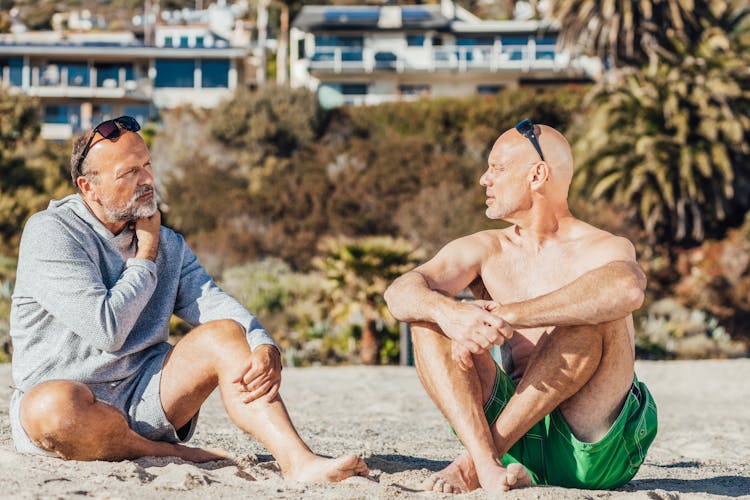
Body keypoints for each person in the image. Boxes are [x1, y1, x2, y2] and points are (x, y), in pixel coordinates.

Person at [9, 115, 368, 482]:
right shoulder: (52, 233)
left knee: (226, 333)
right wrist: (145, 255)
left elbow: (212, 301)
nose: (147, 179)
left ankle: (297, 459)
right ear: (89, 188)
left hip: (148, 398)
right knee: (49, 407)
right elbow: (108, 330)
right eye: (129, 172)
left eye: (147, 165)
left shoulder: (168, 243)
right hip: (71, 410)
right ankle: (167, 451)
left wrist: (263, 343)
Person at [384, 119, 657, 493]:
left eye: (497, 168)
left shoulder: (601, 247)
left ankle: (472, 466)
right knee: (427, 317)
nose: (484, 179)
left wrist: (507, 314)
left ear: (537, 175)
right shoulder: (487, 248)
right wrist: (450, 314)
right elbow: (399, 293)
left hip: (592, 443)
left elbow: (627, 290)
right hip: (513, 442)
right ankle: (487, 462)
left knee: (593, 315)